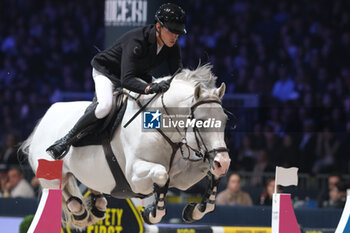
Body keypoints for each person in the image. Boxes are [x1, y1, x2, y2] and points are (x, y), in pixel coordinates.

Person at [46, 3, 186, 160]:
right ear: (159, 26)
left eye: (178, 32)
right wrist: (150, 87)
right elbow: (127, 80)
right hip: (108, 73)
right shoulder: (137, 41)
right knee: (105, 107)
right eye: (172, 30)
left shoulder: (172, 45)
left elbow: (177, 74)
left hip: (137, 74)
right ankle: (65, 140)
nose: (175, 36)